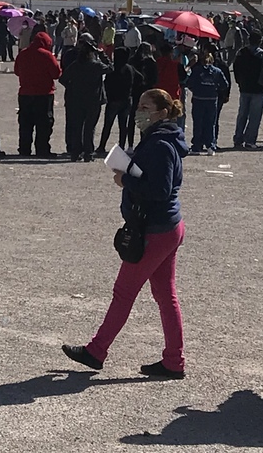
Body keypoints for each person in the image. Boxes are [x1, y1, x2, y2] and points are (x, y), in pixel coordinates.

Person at [63, 88, 189, 378]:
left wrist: (126, 180)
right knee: (165, 295)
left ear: (161, 112)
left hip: (155, 229)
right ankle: (173, 360)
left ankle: (97, 351)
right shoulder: (164, 139)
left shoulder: (160, 144)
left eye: (146, 107)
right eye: (139, 106)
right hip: (168, 226)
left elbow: (160, 189)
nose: (139, 112)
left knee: (124, 292)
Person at [59, 34, 108, 162]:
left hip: (77, 98)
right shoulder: (96, 65)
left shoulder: (75, 64)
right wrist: (102, 55)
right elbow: (110, 68)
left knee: (77, 126)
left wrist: (72, 87)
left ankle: (76, 152)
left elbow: (62, 79)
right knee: (89, 127)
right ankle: (88, 152)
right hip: (93, 99)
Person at [14, 30, 61, 157]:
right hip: (44, 94)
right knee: (44, 123)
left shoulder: (23, 54)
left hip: (25, 94)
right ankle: (42, 149)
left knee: (25, 123)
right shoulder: (47, 55)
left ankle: (24, 149)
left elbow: (17, 71)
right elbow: (56, 74)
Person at [232, 32, 263, 149]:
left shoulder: (241, 53)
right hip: (258, 88)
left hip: (244, 87)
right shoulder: (262, 54)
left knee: (242, 115)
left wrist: (239, 81)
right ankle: (250, 140)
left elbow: (235, 68)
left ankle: (238, 139)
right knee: (254, 116)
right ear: (260, 41)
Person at [182, 48, 227, 155]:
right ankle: (210, 146)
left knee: (198, 123)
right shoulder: (217, 71)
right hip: (212, 100)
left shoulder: (197, 70)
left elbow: (189, 83)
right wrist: (216, 89)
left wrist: (195, 89)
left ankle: (197, 146)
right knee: (210, 123)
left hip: (198, 99)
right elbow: (225, 85)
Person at [97, 48, 140, 156]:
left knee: (108, 124)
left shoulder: (113, 69)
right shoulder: (130, 68)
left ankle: (102, 145)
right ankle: (121, 145)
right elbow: (141, 78)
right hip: (126, 99)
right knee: (123, 124)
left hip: (113, 100)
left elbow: (106, 83)